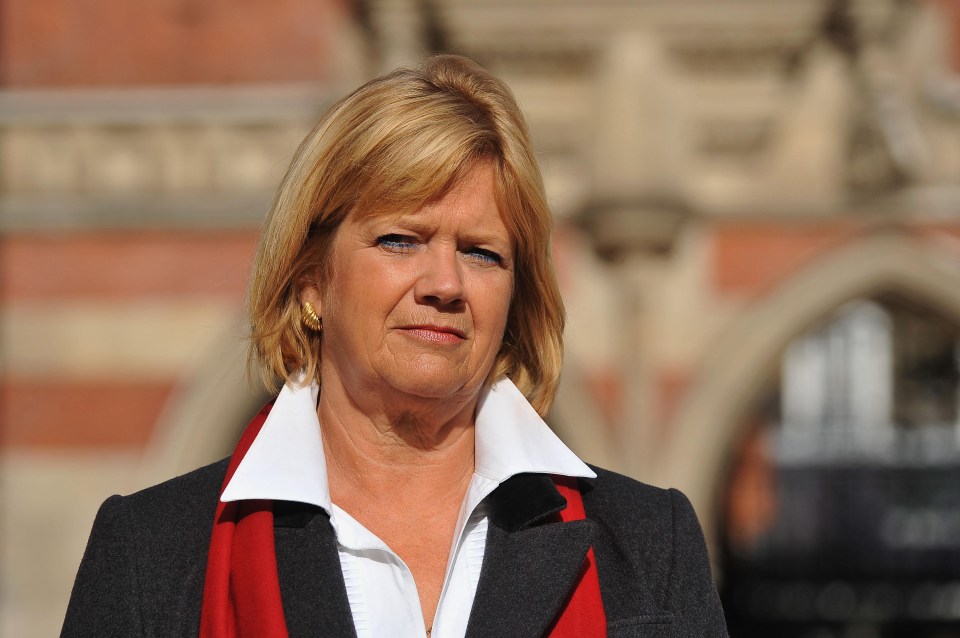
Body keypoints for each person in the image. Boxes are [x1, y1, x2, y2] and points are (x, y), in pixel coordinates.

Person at [61, 54, 728, 637]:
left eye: (482, 253)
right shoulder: (154, 553)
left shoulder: (647, 542)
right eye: (400, 241)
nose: (445, 283)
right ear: (310, 281)